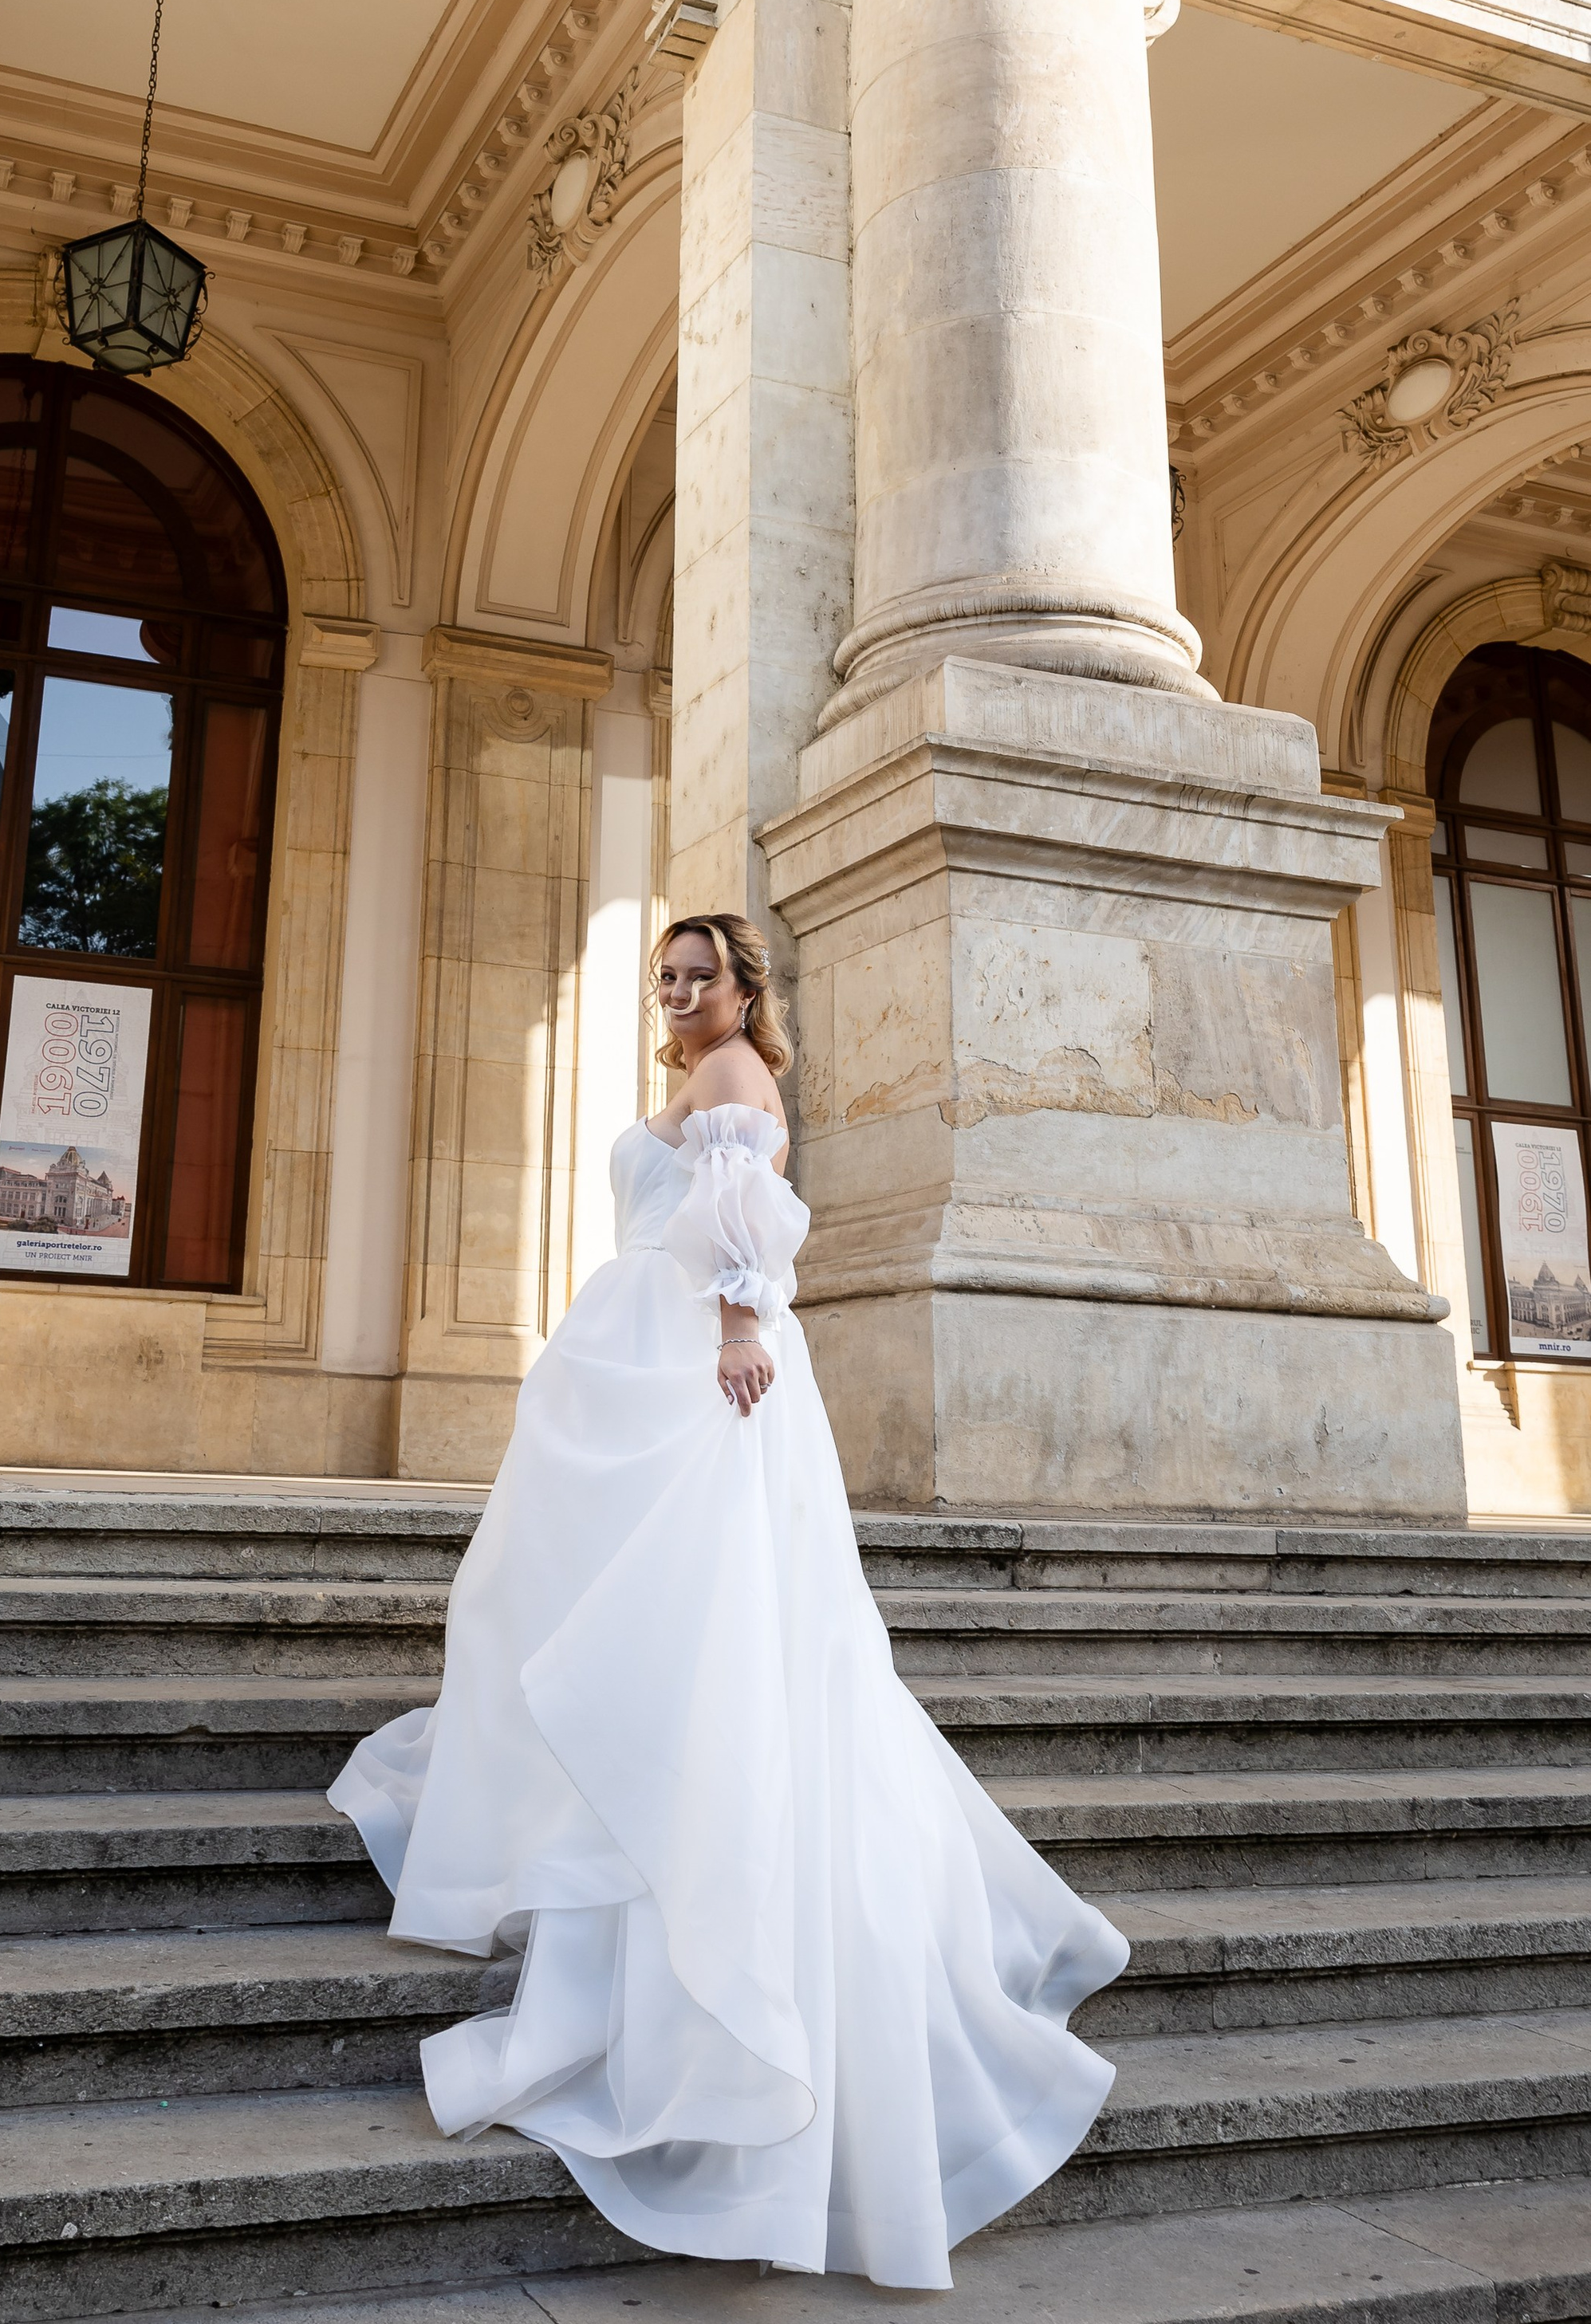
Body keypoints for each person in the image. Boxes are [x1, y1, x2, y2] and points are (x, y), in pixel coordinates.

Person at [330, 912, 1128, 2288]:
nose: (685, 988)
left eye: (707, 971)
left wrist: (743, 1324)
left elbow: (745, 1225)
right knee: (599, 1613)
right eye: (672, 973)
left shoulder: (738, 1078)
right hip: (641, 1357)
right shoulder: (699, 1080)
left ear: (751, 988)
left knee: (697, 1630)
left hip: (703, 1371)